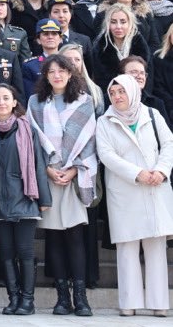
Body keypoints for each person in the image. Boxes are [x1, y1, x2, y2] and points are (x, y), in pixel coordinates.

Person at [95, 73, 173, 317]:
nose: (118, 97)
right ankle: (128, 302)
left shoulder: (152, 114)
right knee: (127, 247)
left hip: (155, 187)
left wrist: (161, 170)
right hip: (125, 189)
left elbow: (169, 143)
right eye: (113, 93)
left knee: (155, 247)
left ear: (133, 91)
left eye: (122, 92)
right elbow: (107, 155)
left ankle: (159, 302)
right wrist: (137, 173)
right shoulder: (104, 121)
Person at [26, 55, 97, 317]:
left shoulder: (85, 101)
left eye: (62, 71)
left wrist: (74, 168)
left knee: (75, 237)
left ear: (71, 73)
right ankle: (62, 298)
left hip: (76, 176)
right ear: (45, 75)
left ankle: (81, 298)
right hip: (48, 175)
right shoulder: (35, 103)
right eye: (51, 71)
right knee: (53, 237)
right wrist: (47, 168)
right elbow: (32, 139)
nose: (57, 75)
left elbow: (90, 139)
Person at [0, 83, 50, 316]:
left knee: (25, 252)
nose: (1, 102)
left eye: (5, 98)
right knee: (6, 253)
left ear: (13, 102)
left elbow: (39, 164)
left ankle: (28, 300)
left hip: (24, 198)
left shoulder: (25, 128)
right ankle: (13, 299)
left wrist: (43, 198)